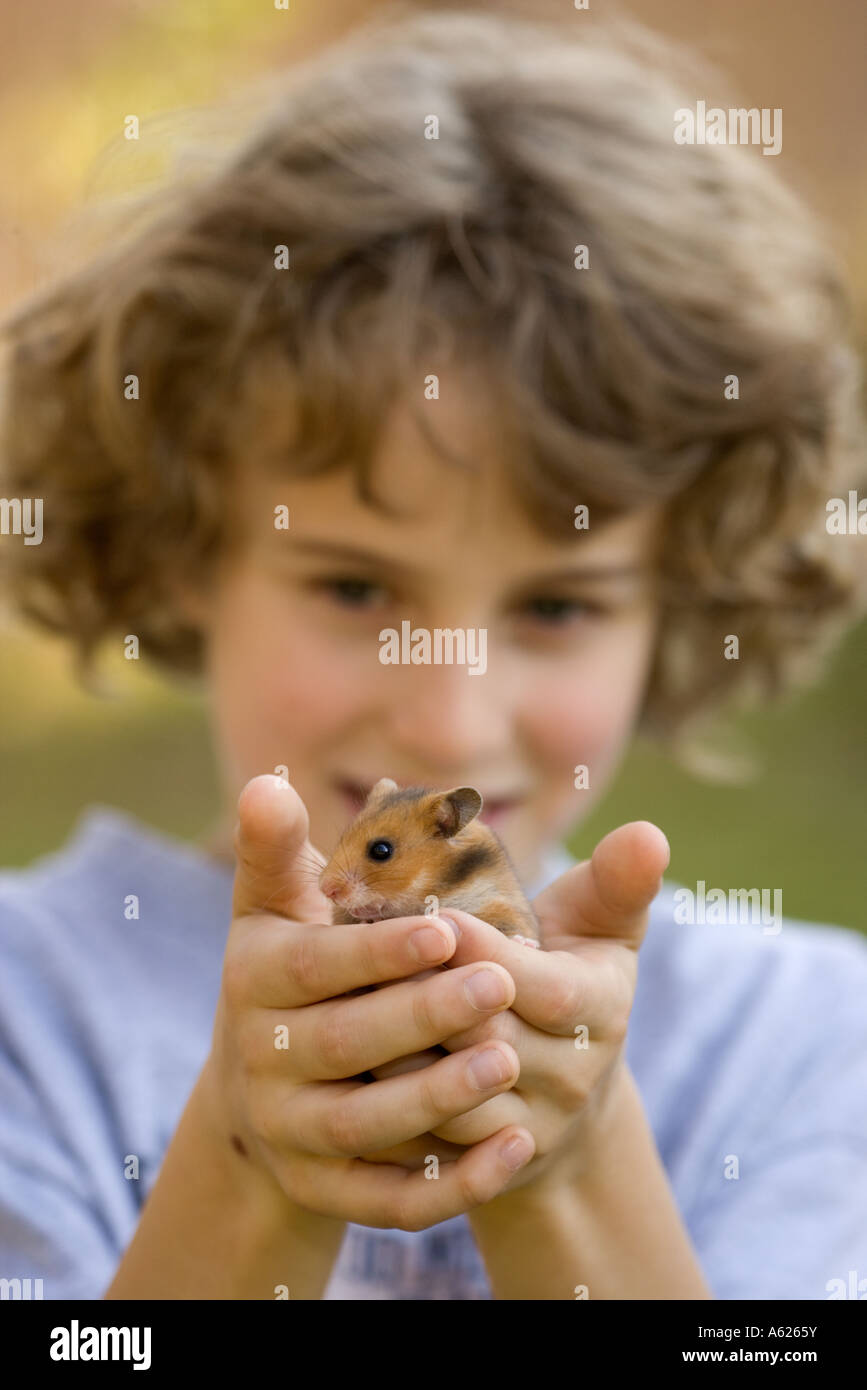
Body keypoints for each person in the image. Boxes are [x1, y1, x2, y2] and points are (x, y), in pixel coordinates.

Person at [1, 6, 865, 1301]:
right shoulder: (30, 1017)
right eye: (355, 584)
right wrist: (246, 1170)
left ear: (679, 596)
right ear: (189, 542)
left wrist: (570, 1172)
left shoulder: (807, 1039)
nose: (451, 725)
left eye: (560, 607)